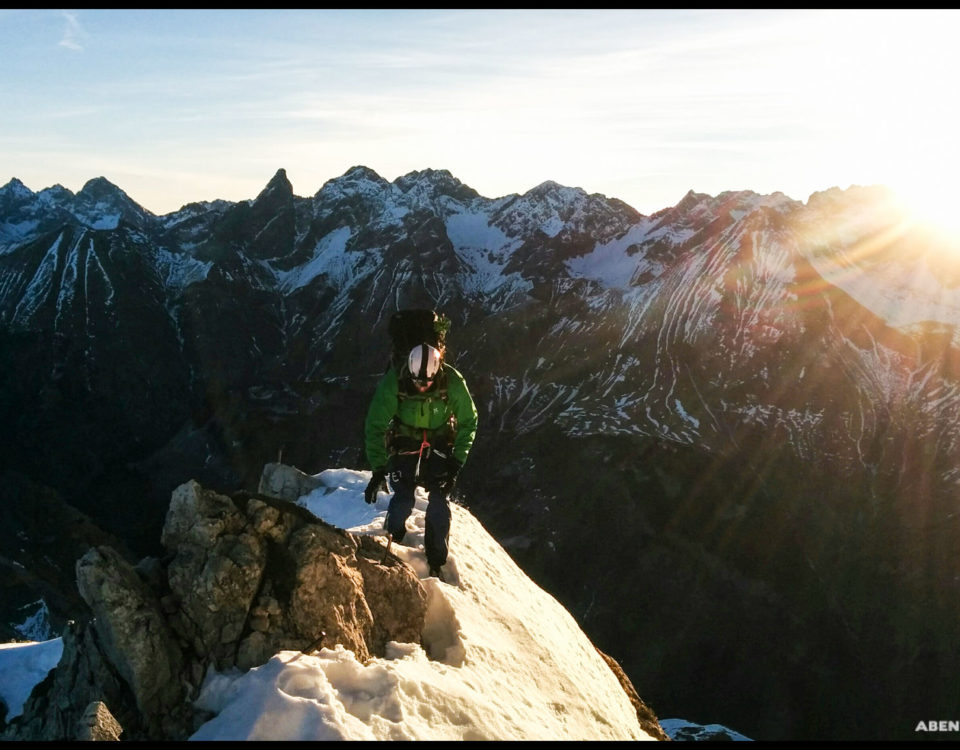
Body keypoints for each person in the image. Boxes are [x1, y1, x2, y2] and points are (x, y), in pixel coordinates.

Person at [363, 342, 478, 579]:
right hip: (406, 445)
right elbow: (375, 424)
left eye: (427, 382)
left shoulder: (452, 382)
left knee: (439, 501)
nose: (422, 386)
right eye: (417, 381)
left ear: (437, 372)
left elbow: (469, 421)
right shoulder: (395, 381)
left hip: (438, 447)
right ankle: (393, 539)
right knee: (403, 498)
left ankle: (436, 560)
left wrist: (456, 462)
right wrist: (378, 469)